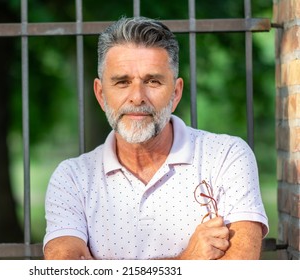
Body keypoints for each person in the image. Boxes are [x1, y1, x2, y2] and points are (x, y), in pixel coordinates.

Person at [43, 16, 269, 260]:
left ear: (176, 92)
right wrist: (187, 261)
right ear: (100, 94)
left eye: (152, 81)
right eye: (122, 82)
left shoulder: (226, 157)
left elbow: (239, 270)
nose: (137, 97)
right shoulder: (73, 178)